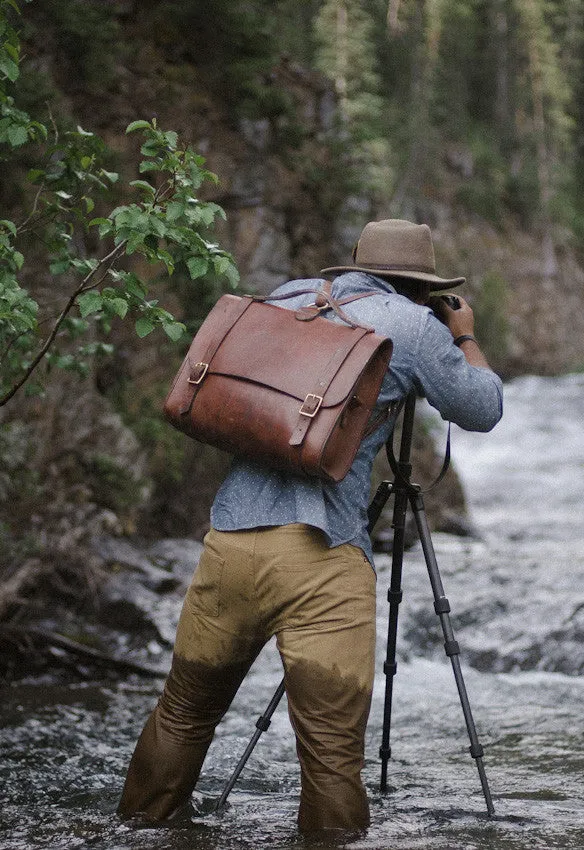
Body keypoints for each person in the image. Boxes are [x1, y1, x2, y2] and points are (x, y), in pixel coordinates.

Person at [116, 218, 503, 836]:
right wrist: (463, 337)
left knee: (183, 713)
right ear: (421, 284)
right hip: (322, 554)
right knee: (328, 754)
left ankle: (137, 830)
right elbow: (483, 407)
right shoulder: (415, 326)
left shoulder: (291, 298)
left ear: (353, 263)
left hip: (230, 541)